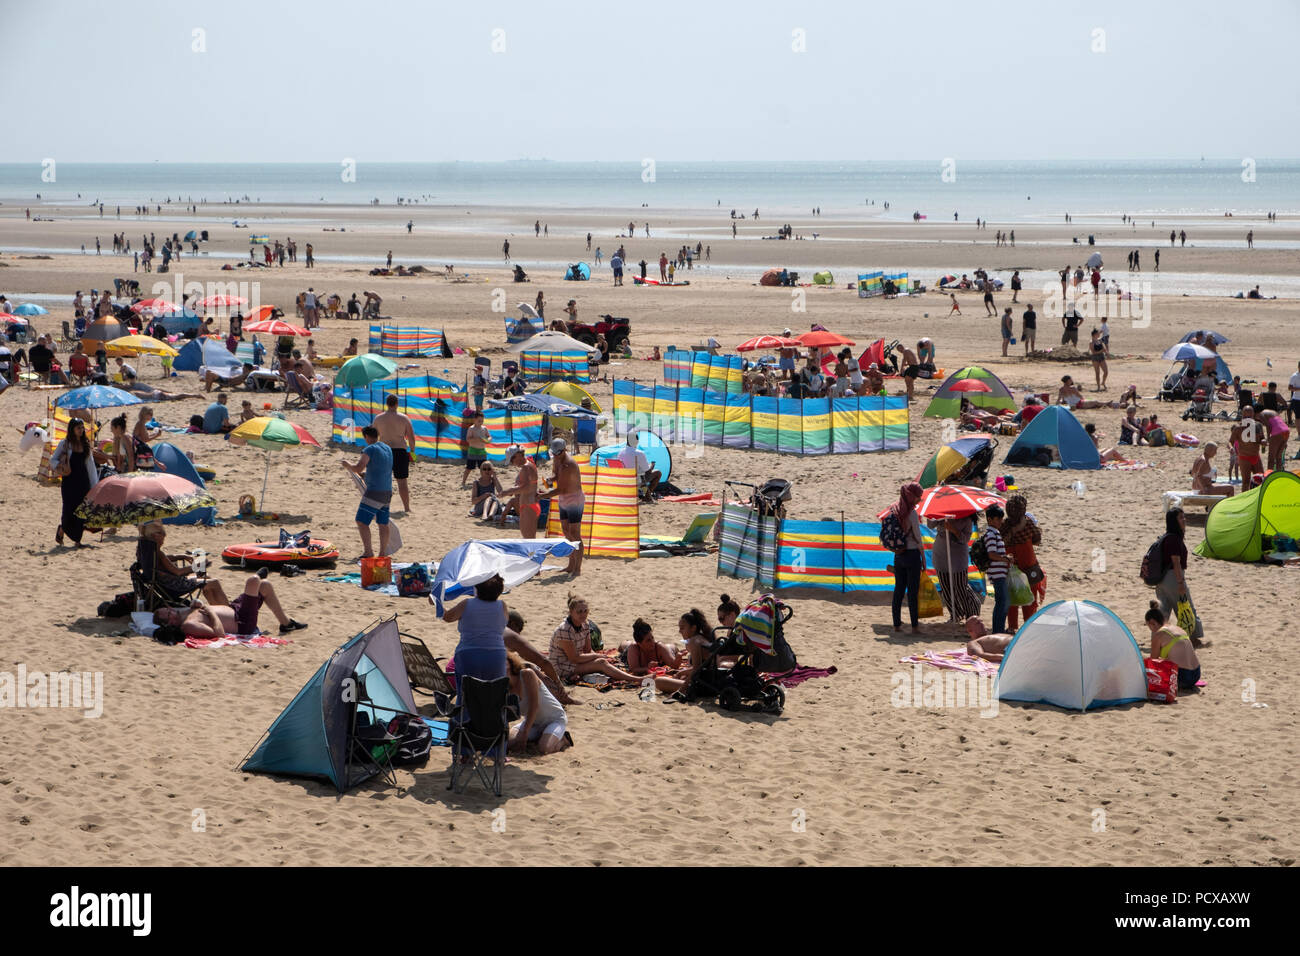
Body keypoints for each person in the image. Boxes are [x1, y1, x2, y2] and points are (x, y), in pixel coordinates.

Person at [154, 573, 306, 637]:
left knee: (265, 586)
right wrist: (209, 611)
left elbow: (198, 610)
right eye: (168, 612)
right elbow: (219, 633)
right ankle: (258, 575)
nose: (170, 609)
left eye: (167, 608)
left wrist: (196, 605)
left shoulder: (181, 613)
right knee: (254, 581)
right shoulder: (188, 625)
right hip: (242, 622)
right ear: (170, 622)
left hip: (233, 609)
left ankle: (286, 624)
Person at [440, 573, 509, 700]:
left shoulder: (466, 604)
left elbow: (447, 617)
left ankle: (466, 718)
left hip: (469, 653)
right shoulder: (502, 606)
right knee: (494, 696)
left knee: (467, 696)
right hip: (496, 654)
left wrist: (438, 604)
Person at [548, 593, 639, 684]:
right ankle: (637, 679)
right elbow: (574, 658)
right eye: (579, 612)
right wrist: (597, 656)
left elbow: (588, 650)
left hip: (574, 663)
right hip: (561, 666)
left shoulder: (585, 624)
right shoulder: (565, 630)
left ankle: (626, 676)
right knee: (601, 663)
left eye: (585, 611)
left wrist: (597, 657)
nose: (583, 614)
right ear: (571, 612)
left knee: (604, 662)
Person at [341, 425, 393, 559]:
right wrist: (366, 476)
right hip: (387, 491)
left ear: (367, 437)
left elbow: (358, 467)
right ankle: (382, 554)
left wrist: (348, 465)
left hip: (374, 492)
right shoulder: (387, 448)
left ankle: (369, 552)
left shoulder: (369, 449)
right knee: (383, 523)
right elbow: (381, 468)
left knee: (361, 521)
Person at [1154, 508, 1203, 644]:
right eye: (1181, 518)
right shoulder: (1174, 539)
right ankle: (1193, 639)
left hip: (1161, 580)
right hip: (1173, 578)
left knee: (1163, 611)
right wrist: (1181, 583)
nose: (1184, 520)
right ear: (1174, 521)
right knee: (1186, 607)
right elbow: (1176, 563)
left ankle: (1158, 638)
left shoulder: (1166, 537)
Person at [506, 651, 571, 754]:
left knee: (544, 749)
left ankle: (563, 740)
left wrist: (524, 733)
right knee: (508, 744)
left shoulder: (526, 674)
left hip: (554, 719)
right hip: (533, 722)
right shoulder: (503, 686)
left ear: (510, 662)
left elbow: (534, 706)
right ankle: (541, 737)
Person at [50, 418, 99, 547]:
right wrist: (60, 466)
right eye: (78, 428)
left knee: (81, 511)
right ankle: (62, 528)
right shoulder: (65, 444)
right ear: (72, 429)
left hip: (83, 482)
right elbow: (53, 460)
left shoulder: (85, 444)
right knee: (68, 510)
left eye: (82, 428)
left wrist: (95, 485)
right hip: (69, 483)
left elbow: (91, 466)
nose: (81, 430)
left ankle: (78, 540)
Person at [540, 438, 583, 575]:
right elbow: (556, 475)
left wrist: (541, 496)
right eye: (554, 453)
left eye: (558, 453)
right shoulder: (557, 459)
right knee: (566, 532)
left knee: (575, 534)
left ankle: (578, 568)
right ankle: (571, 565)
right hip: (564, 499)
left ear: (564, 450)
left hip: (574, 500)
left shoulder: (568, 464)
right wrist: (550, 479)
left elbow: (561, 489)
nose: (556, 455)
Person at [930, 513, 983, 625]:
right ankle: (955, 614)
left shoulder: (966, 519)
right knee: (946, 587)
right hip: (941, 554)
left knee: (961, 587)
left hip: (957, 557)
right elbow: (930, 525)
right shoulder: (942, 514)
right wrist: (937, 517)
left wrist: (953, 530)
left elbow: (965, 539)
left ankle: (972, 612)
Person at [1003, 494, 1045, 630]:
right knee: (1030, 599)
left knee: (1012, 599)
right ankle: (1028, 627)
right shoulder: (1028, 524)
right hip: (1029, 566)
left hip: (1010, 567)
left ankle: (1011, 627)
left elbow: (1000, 542)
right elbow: (1037, 541)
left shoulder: (1004, 526)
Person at [888, 482, 925, 633]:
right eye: (918, 497)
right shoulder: (912, 514)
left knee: (898, 590)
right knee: (912, 592)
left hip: (898, 555)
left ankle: (896, 624)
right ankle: (915, 626)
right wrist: (923, 557)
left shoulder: (894, 510)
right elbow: (917, 537)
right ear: (911, 496)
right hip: (912, 554)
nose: (919, 500)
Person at [136, 521, 201, 601]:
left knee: (205, 579)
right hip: (173, 587)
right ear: (155, 536)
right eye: (162, 535)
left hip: (162, 585)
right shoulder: (158, 553)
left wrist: (181, 556)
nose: (164, 538)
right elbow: (178, 572)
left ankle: (215, 608)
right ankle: (217, 608)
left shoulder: (145, 550)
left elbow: (163, 560)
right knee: (211, 581)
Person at [1144, 602, 1201, 690]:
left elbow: (1153, 662)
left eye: (1148, 625)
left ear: (1152, 623)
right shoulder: (1178, 629)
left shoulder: (1158, 635)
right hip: (1196, 674)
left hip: (1184, 677)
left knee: (1152, 664)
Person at [374, 393, 416, 512]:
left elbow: (373, 436)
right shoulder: (404, 418)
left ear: (386, 404)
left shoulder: (378, 418)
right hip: (400, 451)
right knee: (402, 482)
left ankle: (382, 506)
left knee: (383, 481)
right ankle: (407, 508)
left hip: (383, 450)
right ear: (397, 404)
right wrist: (413, 452)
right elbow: (411, 438)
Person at [979, 505, 1010, 634]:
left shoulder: (994, 533)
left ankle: (999, 630)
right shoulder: (991, 534)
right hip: (997, 574)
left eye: (1001, 519)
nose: (1000, 522)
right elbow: (992, 554)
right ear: (990, 519)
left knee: (1003, 602)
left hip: (998, 573)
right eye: (998, 519)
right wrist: (1006, 559)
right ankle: (998, 631)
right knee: (1002, 603)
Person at [501, 445, 540, 538]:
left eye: (512, 459)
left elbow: (526, 488)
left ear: (518, 455)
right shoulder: (529, 464)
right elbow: (527, 486)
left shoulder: (526, 467)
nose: (512, 463)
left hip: (528, 505)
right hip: (530, 504)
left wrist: (509, 491)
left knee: (529, 540)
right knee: (530, 539)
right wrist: (514, 490)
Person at [617, 432, 661, 502]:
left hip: (624, 479)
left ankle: (643, 494)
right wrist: (652, 465)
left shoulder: (620, 453)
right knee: (657, 473)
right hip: (635, 479)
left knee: (640, 473)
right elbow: (647, 470)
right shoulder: (639, 453)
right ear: (637, 441)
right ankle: (647, 497)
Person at [1230, 407, 1266, 489]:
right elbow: (1230, 441)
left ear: (1253, 415)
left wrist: (1263, 441)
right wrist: (1231, 448)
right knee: (1246, 481)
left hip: (1256, 456)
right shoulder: (1238, 428)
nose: (1248, 419)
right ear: (1242, 415)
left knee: (1261, 479)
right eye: (1246, 417)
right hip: (1244, 457)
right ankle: (1245, 499)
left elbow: (1262, 438)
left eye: (1250, 417)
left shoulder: (1258, 426)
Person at [461, 411, 489, 489]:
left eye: (482, 421)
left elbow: (489, 436)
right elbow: (468, 439)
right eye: (479, 421)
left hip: (482, 451)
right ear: (474, 420)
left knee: (484, 468)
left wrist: (488, 440)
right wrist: (477, 439)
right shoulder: (471, 428)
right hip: (473, 451)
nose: (481, 422)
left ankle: (485, 482)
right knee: (469, 468)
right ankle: (463, 482)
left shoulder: (484, 428)